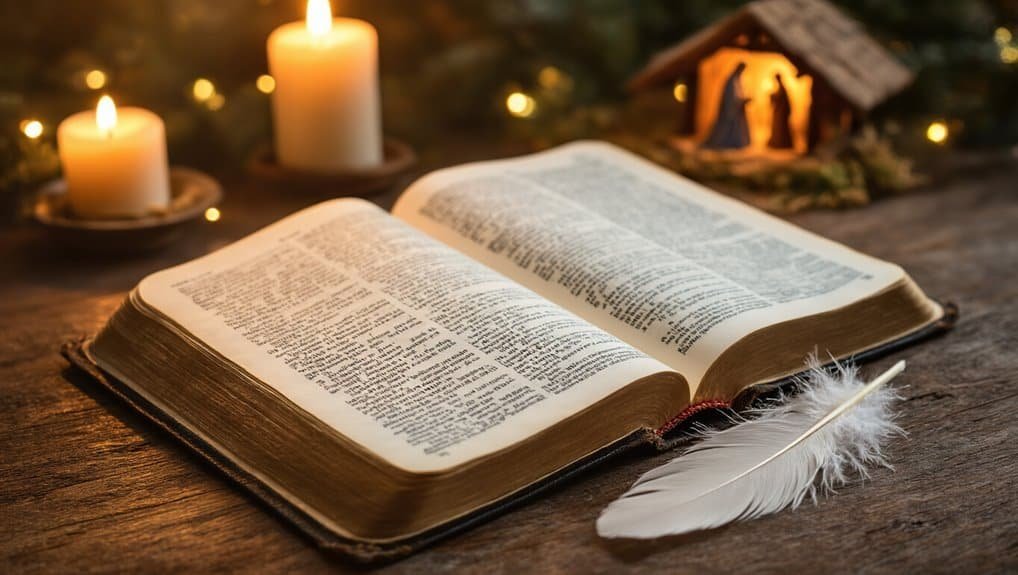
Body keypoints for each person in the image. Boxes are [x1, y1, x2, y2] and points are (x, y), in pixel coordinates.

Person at [703, 62, 750, 150]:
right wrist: (739, 102)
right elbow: (730, 97)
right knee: (726, 130)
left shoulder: (737, 80)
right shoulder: (731, 81)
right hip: (730, 110)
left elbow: (739, 94)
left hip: (735, 109)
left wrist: (742, 100)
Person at [768, 73, 794, 149]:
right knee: (778, 128)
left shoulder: (783, 88)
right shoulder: (781, 88)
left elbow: (782, 100)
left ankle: (781, 144)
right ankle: (778, 143)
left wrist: (773, 97)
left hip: (782, 113)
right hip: (779, 112)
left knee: (781, 129)